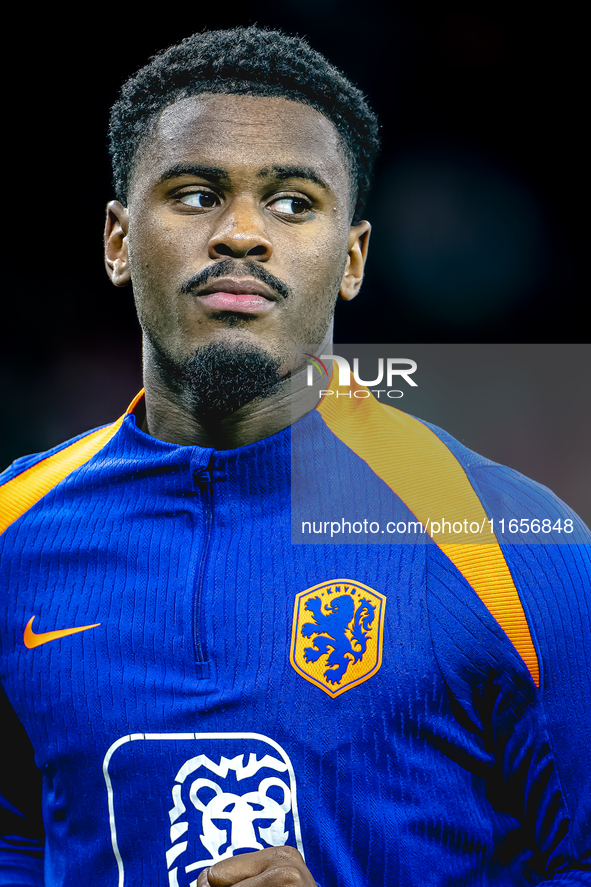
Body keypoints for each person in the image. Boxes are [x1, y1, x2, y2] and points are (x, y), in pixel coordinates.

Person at [0, 25, 589, 887]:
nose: (241, 233)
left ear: (350, 259)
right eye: (197, 194)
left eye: (291, 203)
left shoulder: (512, 544)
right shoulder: (16, 533)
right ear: (118, 242)